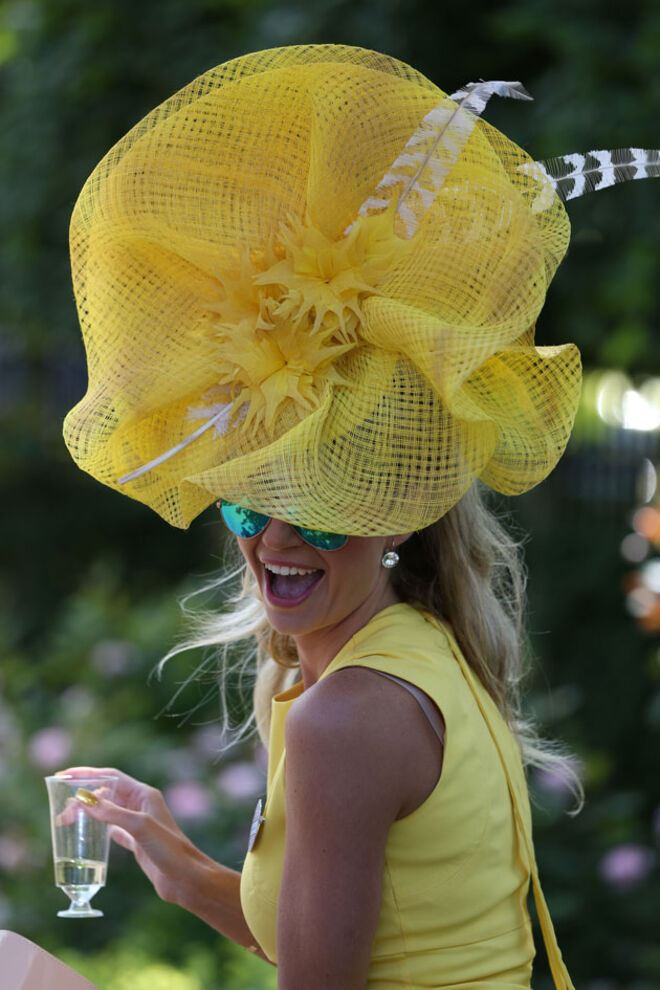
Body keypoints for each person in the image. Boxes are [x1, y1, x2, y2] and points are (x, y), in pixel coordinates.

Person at [58, 45, 659, 990]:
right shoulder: (415, 646)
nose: (277, 539)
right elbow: (353, 952)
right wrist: (184, 874)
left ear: (396, 516)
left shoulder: (348, 714)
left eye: (324, 513)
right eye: (254, 499)